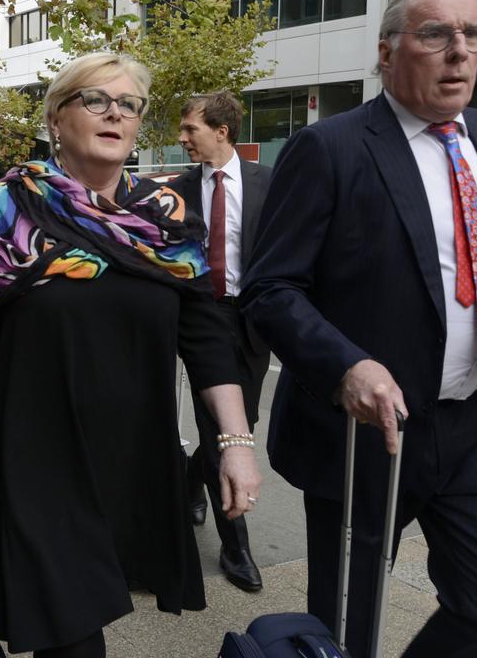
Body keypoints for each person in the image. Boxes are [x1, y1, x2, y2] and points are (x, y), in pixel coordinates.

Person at [240, 0, 477, 658]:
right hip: (370, 430)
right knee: (349, 626)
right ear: (388, 51)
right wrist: (347, 364)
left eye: (473, 33)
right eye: (436, 35)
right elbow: (270, 288)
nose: (458, 52)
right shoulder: (332, 149)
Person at [0, 53, 263, 658]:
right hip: (30, 456)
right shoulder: (5, 210)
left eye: (129, 105)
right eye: (95, 100)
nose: (115, 114)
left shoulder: (165, 220)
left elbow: (208, 338)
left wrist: (235, 445)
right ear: (57, 118)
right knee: (71, 639)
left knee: (86, 608)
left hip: (130, 453)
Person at [170, 91, 272, 593]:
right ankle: (237, 549)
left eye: (190, 129)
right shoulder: (178, 190)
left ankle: (193, 482)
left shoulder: (267, 183)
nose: (182, 138)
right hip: (196, 319)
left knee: (240, 426)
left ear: (222, 131)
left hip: (248, 321)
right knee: (221, 435)